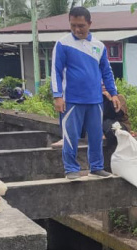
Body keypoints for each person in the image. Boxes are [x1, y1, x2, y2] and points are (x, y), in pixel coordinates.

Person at [51, 6, 120, 180]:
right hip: (71, 99)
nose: (77, 29)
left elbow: (107, 72)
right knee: (71, 136)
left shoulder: (99, 46)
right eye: (73, 25)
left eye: (81, 25)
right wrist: (57, 95)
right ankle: (71, 169)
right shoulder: (63, 44)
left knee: (96, 136)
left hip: (95, 99)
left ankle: (96, 167)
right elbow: (56, 71)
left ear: (89, 23)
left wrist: (114, 93)